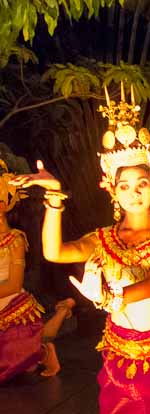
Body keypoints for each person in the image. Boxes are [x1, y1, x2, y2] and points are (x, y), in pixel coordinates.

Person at [12, 85, 150, 414]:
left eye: (142, 184)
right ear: (113, 191)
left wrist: (109, 298)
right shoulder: (101, 239)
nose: (134, 193)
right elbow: (53, 252)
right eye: (124, 186)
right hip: (120, 344)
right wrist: (54, 198)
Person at [0, 160, 74, 383]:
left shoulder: (14, 240)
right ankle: (63, 310)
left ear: (4, 205)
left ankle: (44, 349)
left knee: (23, 349)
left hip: (9, 302)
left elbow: (14, 284)